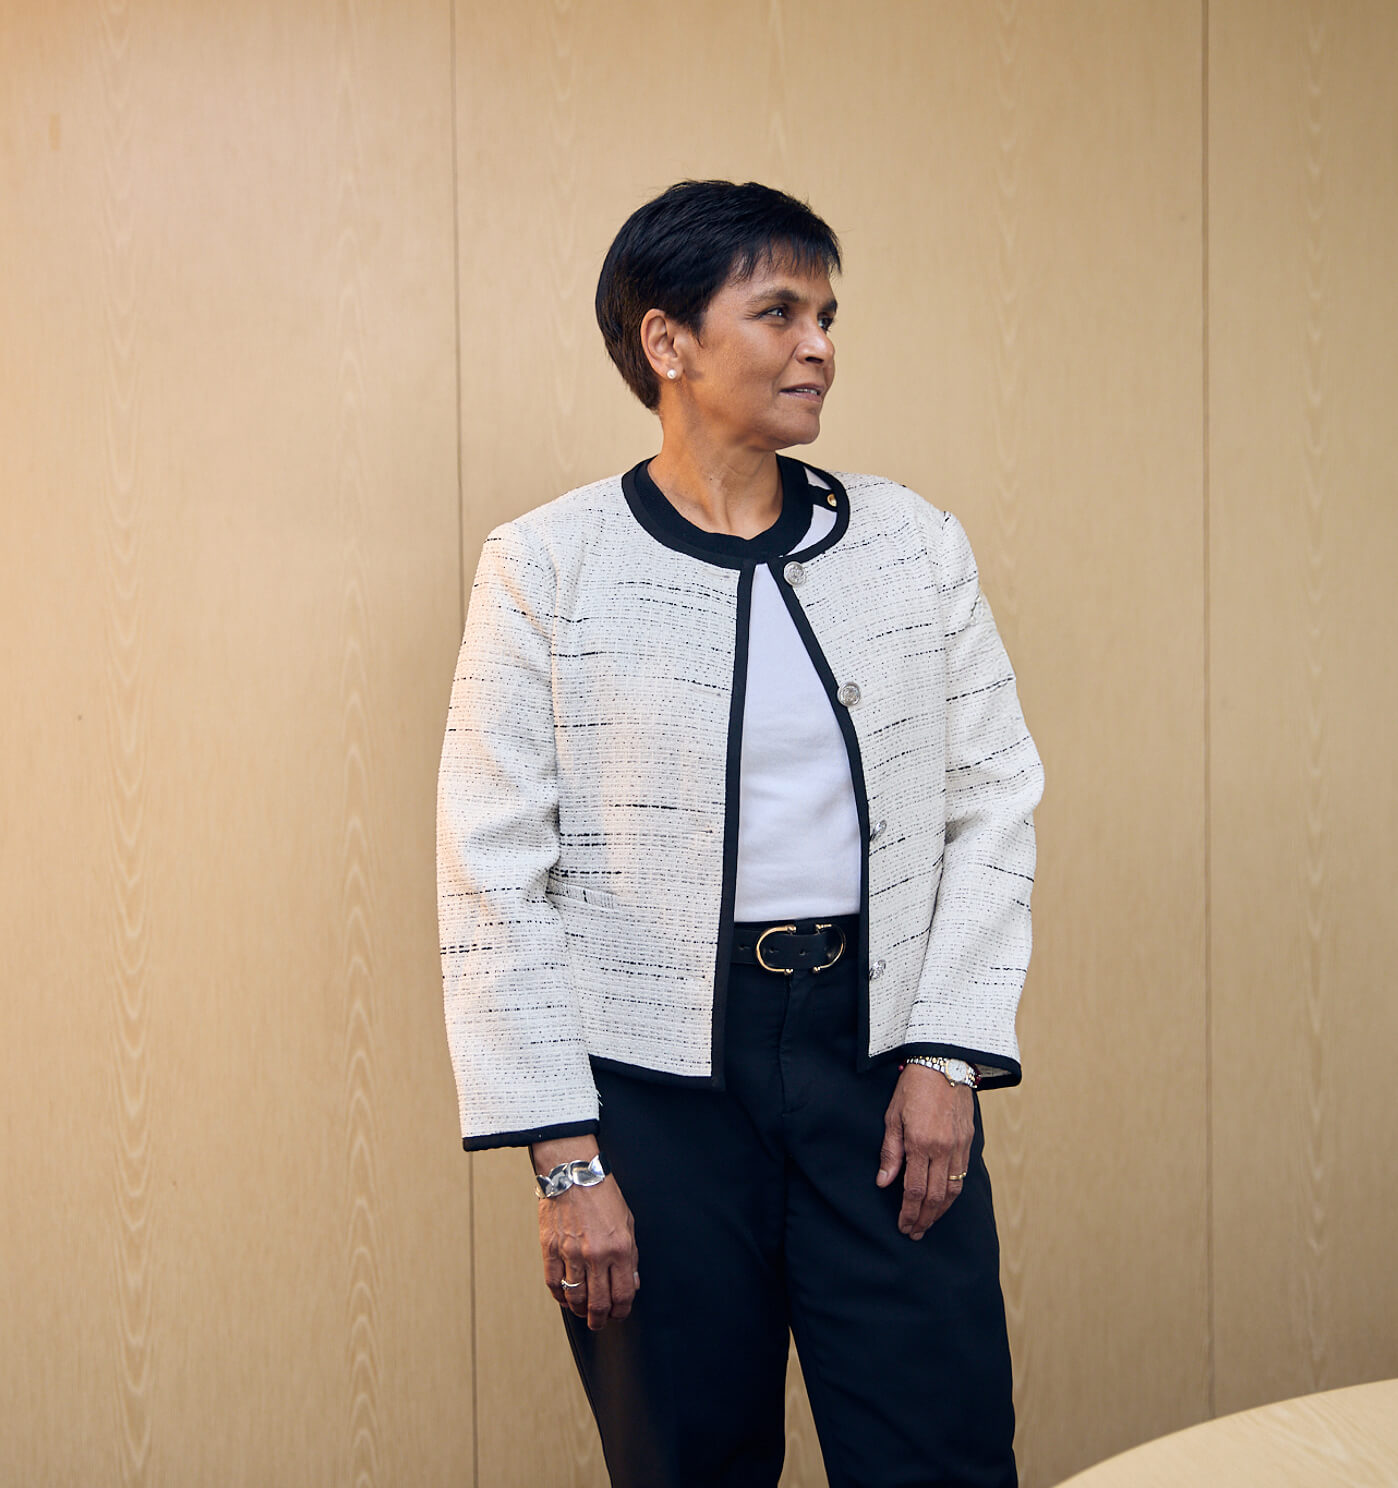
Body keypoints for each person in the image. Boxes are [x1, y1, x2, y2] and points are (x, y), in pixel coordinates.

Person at [437, 179, 1044, 1488]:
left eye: (825, 313)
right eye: (778, 311)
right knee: (685, 1459)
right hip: (652, 1093)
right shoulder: (546, 567)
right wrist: (565, 1162)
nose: (818, 342)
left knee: (937, 1449)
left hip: (876, 1063)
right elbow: (493, 876)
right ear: (668, 343)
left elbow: (993, 795)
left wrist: (946, 1054)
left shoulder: (909, 544)